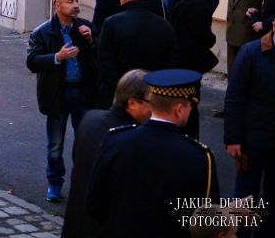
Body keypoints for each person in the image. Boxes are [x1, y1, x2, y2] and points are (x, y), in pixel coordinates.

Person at [86, 69, 220, 237]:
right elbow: (205, 221)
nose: (191, 110)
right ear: (179, 109)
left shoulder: (115, 140)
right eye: (190, 105)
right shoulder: (199, 157)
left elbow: (94, 204)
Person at [26, 0, 98, 203]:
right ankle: (55, 183)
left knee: (85, 142)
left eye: (77, 1)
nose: (76, 5)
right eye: (70, 2)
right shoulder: (42, 32)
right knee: (55, 145)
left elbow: (100, 57)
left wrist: (92, 41)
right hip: (58, 95)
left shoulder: (85, 28)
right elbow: (32, 62)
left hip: (83, 94)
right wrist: (57, 56)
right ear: (57, 6)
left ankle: (82, 184)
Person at [61, 69, 152, 238]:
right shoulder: (130, 139)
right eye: (151, 102)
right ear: (132, 103)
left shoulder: (90, 118)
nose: (154, 109)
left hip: (76, 222)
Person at [95, 0, 179, 108]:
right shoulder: (165, 26)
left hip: (119, 99)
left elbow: (105, 63)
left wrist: (117, 91)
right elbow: (172, 64)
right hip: (154, 98)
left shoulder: (111, 24)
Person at [223, 26, 275, 238]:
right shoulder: (251, 52)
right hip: (251, 143)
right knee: (245, 197)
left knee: (273, 199)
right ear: (274, 25)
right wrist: (233, 139)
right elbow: (234, 97)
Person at [167, 0, 220, 139]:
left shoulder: (196, 0)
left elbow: (203, 34)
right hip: (180, 60)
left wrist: (209, 40)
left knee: (188, 109)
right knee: (178, 107)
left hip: (188, 63)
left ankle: (190, 147)